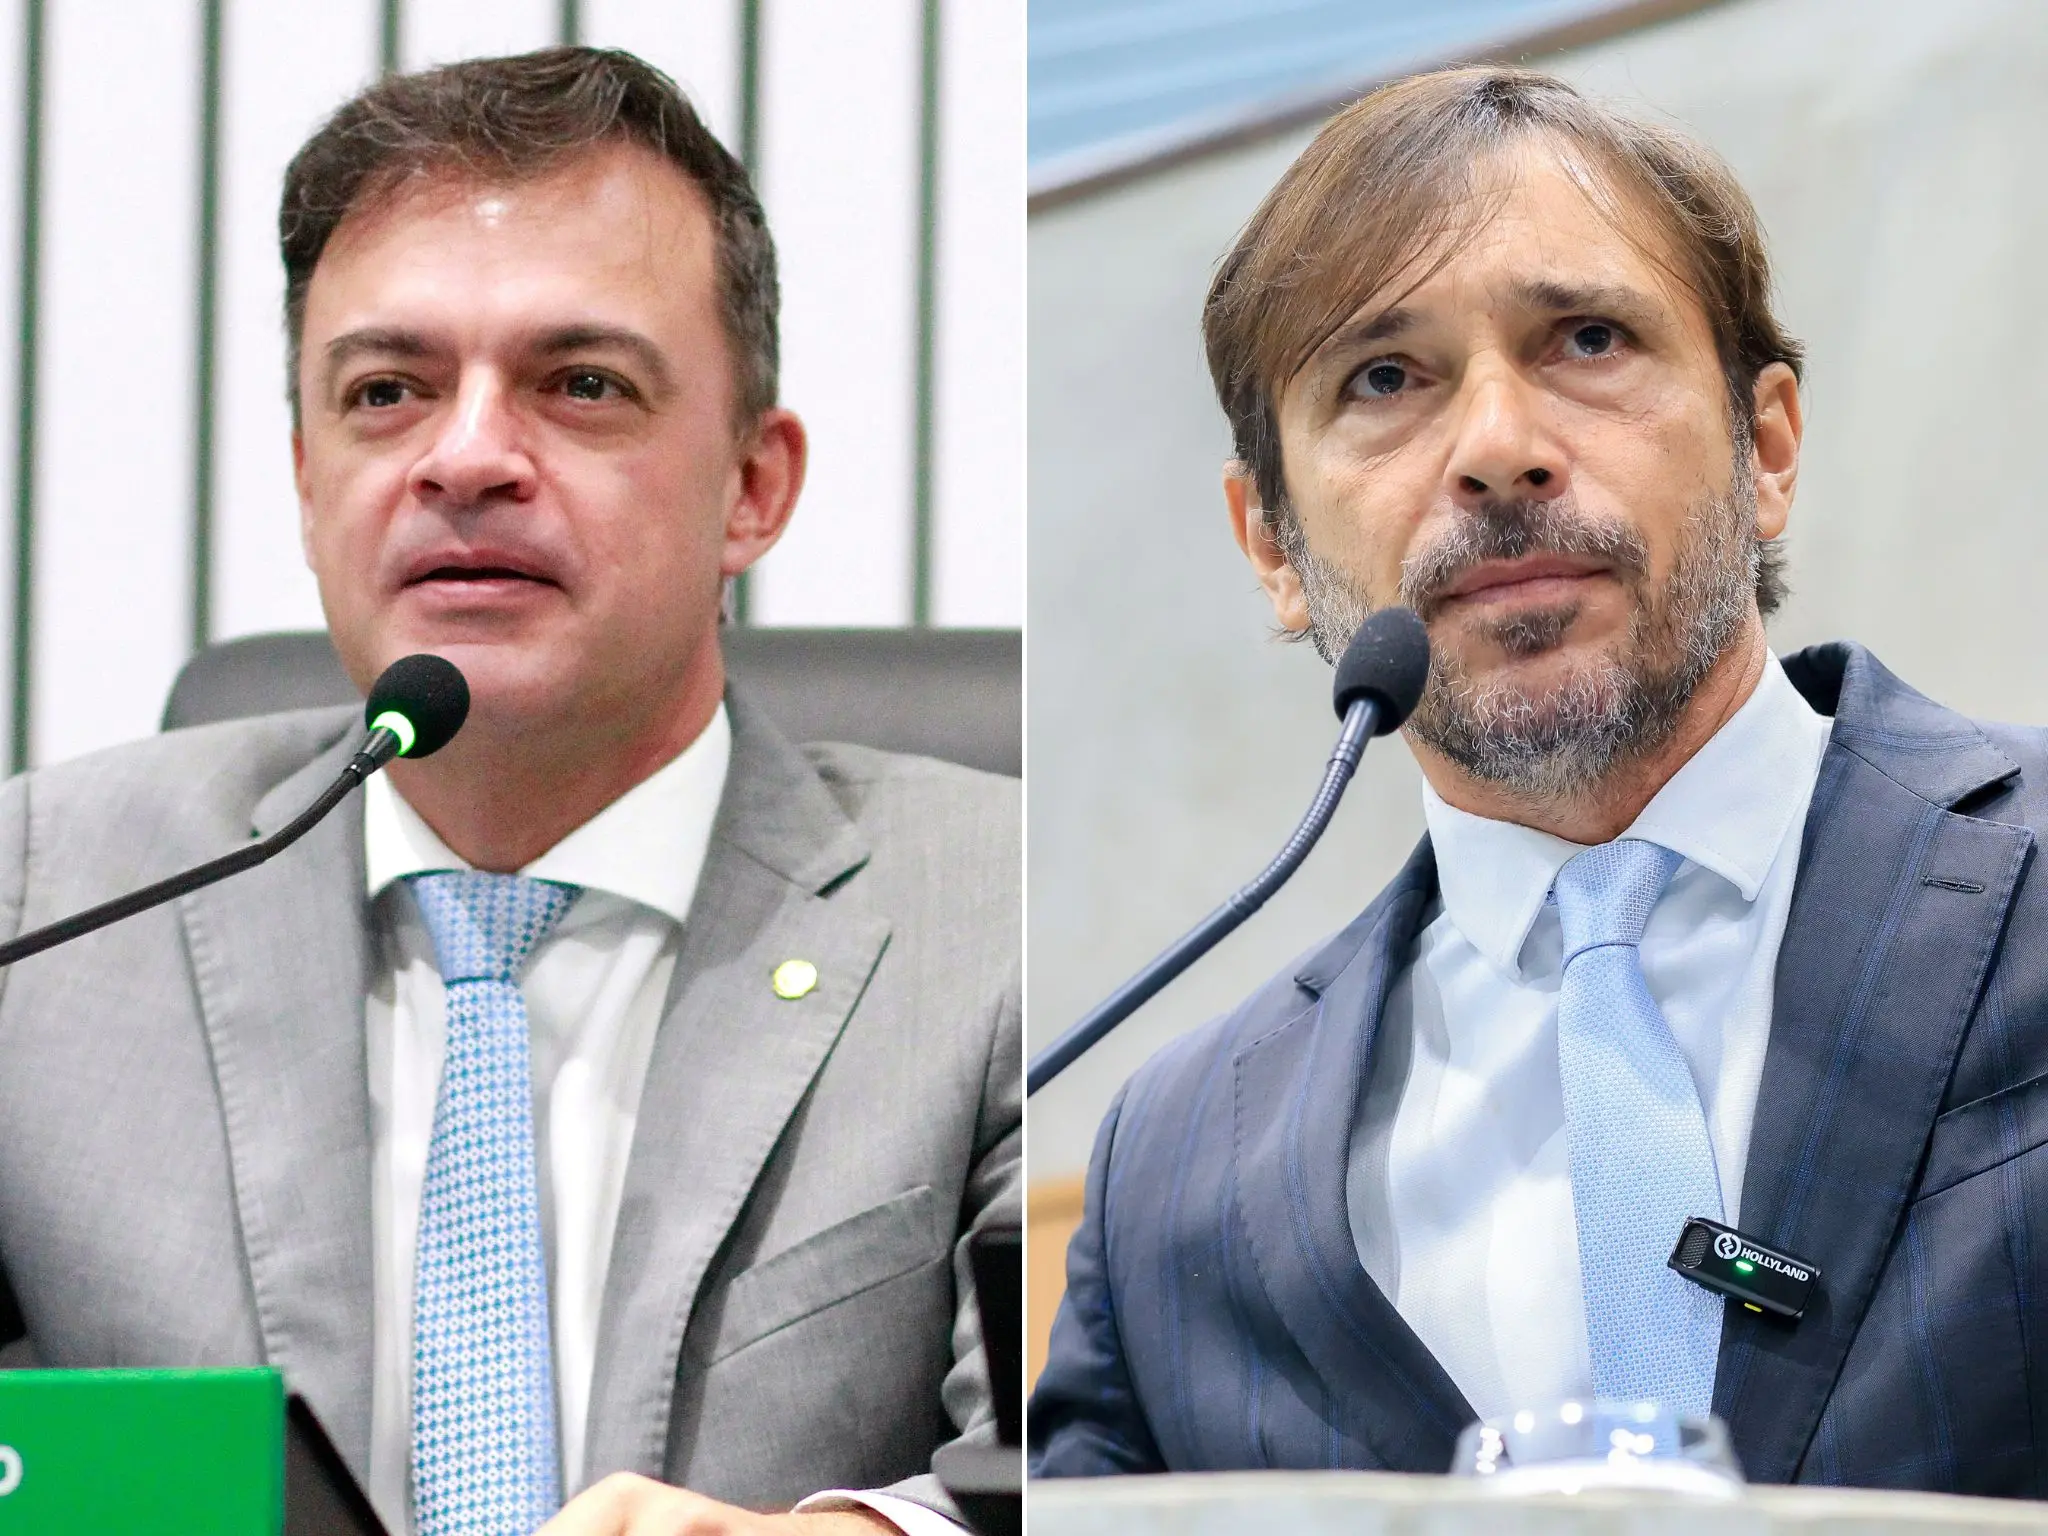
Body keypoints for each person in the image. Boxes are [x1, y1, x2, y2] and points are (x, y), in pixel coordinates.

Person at [0, 48, 1017, 1536]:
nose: (465, 457)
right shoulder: (44, 907)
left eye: (580, 383)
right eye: (387, 391)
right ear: (304, 473)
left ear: (753, 486)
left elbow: (1102, 1457)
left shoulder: (1002, 925)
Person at [1031, 66, 2048, 1496]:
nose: (1500, 449)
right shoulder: (1174, 1173)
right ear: (1270, 545)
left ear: (1766, 449)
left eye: (1585, 338)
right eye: (1385, 378)